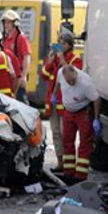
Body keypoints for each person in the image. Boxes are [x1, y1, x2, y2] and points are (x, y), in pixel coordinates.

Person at [41, 33, 83, 168]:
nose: (61, 46)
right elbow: (44, 76)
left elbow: (71, 77)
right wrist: (50, 61)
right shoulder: (55, 61)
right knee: (56, 134)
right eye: (60, 43)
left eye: (64, 43)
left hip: (67, 104)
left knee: (67, 135)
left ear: (70, 45)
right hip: (53, 104)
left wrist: (62, 61)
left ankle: (69, 164)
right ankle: (60, 163)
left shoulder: (75, 59)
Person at [56, 65, 101, 183]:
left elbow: (96, 99)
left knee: (85, 143)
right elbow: (58, 83)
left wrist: (96, 119)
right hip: (68, 112)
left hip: (83, 112)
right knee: (67, 142)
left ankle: (80, 176)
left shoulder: (85, 83)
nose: (71, 82)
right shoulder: (61, 73)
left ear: (76, 73)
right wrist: (54, 95)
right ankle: (68, 173)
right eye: (68, 81)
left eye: (73, 80)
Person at [1, 10, 31, 104]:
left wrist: (24, 76)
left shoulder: (20, 38)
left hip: (18, 77)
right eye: (5, 22)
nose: (6, 24)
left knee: (22, 102)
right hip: (9, 77)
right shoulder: (4, 39)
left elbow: (27, 57)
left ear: (15, 23)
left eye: (9, 22)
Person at [0, 28, 21, 95]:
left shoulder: (9, 55)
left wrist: (14, 93)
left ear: (0, 42)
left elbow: (17, 76)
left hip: (6, 96)